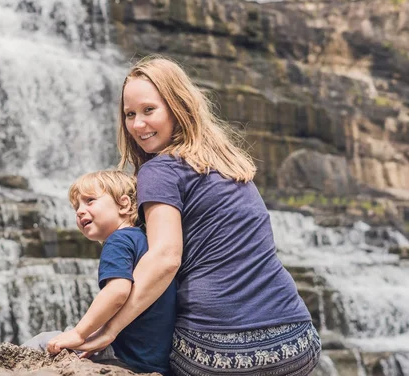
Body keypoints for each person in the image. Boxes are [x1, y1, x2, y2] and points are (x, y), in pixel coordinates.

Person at [62, 56, 321, 375]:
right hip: (298, 343)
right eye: (130, 114)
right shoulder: (229, 164)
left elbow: (165, 258)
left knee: (73, 349)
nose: (138, 125)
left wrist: (106, 330)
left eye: (149, 110)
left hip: (219, 353)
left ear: (177, 105)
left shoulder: (159, 170)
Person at [21, 170, 176, 375]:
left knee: (42, 342)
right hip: (154, 357)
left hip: (124, 354)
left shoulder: (117, 242)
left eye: (90, 201)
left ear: (124, 204)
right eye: (76, 206)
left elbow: (118, 292)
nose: (79, 211)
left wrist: (79, 332)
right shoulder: (147, 240)